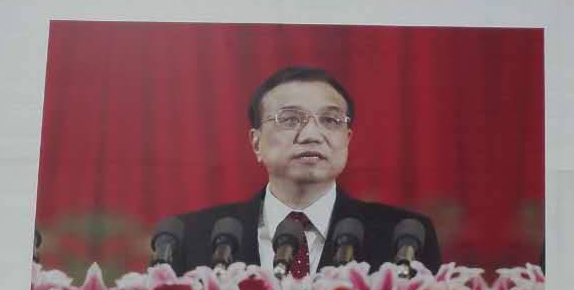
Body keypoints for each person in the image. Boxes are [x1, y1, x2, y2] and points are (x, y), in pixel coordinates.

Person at [162, 65, 440, 275]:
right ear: (256, 142)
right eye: (290, 119)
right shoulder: (193, 237)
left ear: (347, 139)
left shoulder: (402, 237)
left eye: (330, 120)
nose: (311, 135)